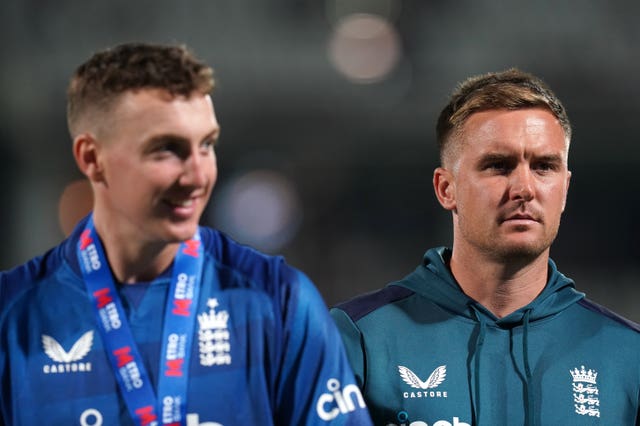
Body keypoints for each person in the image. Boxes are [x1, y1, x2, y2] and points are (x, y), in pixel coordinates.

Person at [0, 42, 372, 426]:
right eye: (166, 150)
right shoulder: (11, 314)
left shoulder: (277, 301)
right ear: (92, 159)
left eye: (206, 145)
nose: (197, 176)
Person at [330, 69, 640, 425]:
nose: (524, 188)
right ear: (446, 188)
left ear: (565, 188)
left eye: (544, 166)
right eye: (498, 166)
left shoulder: (628, 355)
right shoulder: (358, 339)